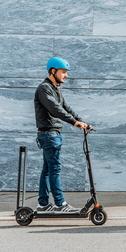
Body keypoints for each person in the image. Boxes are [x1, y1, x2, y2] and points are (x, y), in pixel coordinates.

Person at [34, 57, 88, 213]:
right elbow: (55, 109)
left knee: (47, 170)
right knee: (54, 169)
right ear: (53, 71)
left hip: (51, 134)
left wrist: (83, 122)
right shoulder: (44, 88)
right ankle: (59, 204)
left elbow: (66, 108)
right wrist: (73, 122)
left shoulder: (55, 89)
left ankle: (43, 205)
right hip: (49, 134)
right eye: (63, 72)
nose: (66, 75)